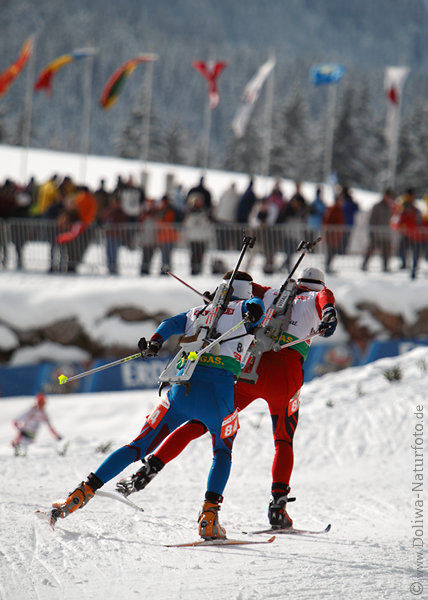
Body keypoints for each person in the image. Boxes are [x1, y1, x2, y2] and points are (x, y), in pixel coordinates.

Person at [116, 266, 337, 530]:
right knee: (282, 439)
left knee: (202, 422)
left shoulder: (272, 293)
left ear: (298, 282)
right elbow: (326, 300)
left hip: (251, 369)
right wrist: (329, 313)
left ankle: (149, 468)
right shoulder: (317, 295)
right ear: (318, 285)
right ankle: (278, 506)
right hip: (284, 377)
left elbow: (240, 285)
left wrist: (218, 299)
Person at [47, 271, 265, 539]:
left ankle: (80, 494)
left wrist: (155, 342)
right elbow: (255, 308)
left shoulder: (201, 311)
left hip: (181, 391)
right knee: (222, 452)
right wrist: (253, 311)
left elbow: (168, 324)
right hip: (218, 396)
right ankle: (209, 517)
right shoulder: (245, 306)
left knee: (137, 446)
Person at [361, 189, 395, 272]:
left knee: (387, 250)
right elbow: (372, 219)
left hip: (385, 233)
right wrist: (372, 230)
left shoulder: (389, 206)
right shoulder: (377, 206)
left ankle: (386, 266)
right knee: (371, 249)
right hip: (376, 232)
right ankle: (364, 264)